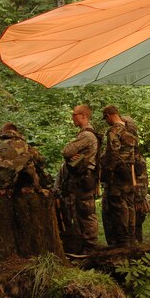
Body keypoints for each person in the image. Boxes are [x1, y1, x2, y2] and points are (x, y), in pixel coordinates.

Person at [57, 105, 101, 253]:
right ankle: (84, 245)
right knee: (80, 212)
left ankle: (90, 246)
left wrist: (70, 154)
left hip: (84, 180)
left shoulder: (86, 135)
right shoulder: (87, 133)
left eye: (74, 114)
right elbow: (70, 154)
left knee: (86, 213)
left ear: (83, 115)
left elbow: (66, 150)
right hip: (83, 179)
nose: (72, 117)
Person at [100, 105, 138, 248]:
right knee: (129, 204)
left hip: (117, 173)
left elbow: (113, 153)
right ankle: (131, 238)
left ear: (109, 116)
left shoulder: (114, 130)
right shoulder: (130, 128)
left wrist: (108, 172)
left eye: (106, 118)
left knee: (119, 205)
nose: (106, 121)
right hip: (130, 170)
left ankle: (123, 241)